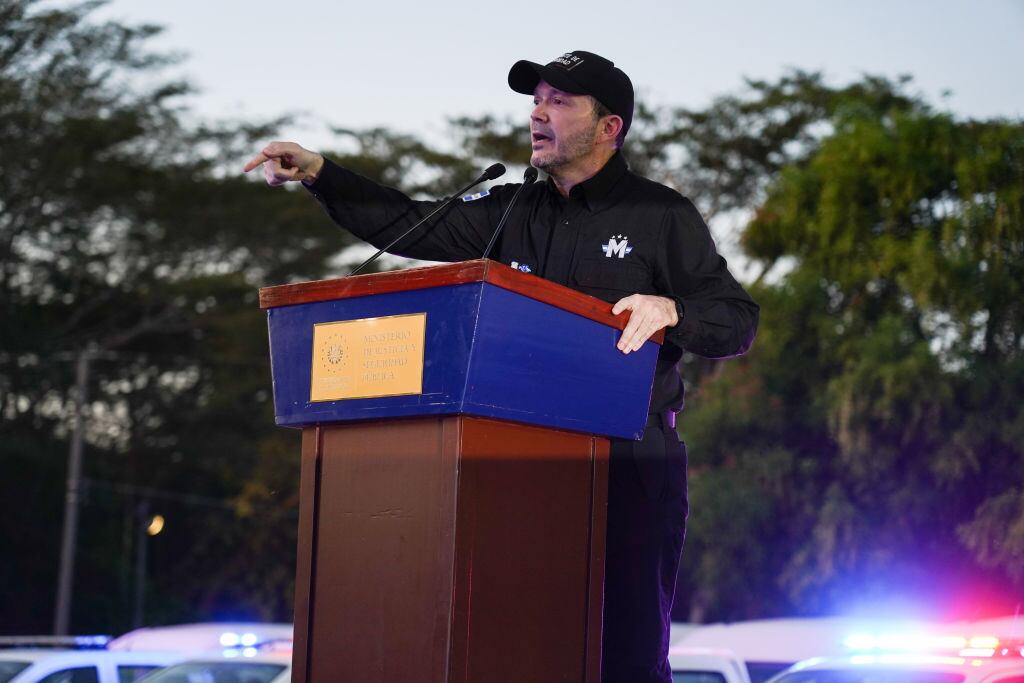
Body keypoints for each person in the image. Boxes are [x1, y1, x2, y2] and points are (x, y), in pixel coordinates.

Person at [245, 50, 758, 683]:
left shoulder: (661, 216)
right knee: (519, 648)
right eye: (536, 100)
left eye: (560, 102)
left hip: (630, 464)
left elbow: (736, 319)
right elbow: (408, 224)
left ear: (608, 128)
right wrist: (321, 172)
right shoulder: (509, 212)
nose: (538, 113)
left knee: (625, 659)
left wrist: (672, 308)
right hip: (519, 470)